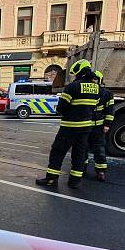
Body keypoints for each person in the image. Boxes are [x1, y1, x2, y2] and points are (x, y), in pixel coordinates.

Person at [36, 59, 100, 189]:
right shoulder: (96, 88)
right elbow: (95, 106)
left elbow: (61, 108)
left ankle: (51, 179)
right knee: (79, 154)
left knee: (57, 152)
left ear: (79, 72)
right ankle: (75, 181)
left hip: (69, 127)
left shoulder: (73, 87)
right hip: (86, 127)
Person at [88, 70, 114, 182]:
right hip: (86, 125)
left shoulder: (106, 93)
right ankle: (81, 169)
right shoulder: (87, 91)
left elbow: (110, 110)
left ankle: (101, 171)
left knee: (99, 149)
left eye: (95, 79)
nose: (94, 81)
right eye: (92, 79)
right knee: (82, 148)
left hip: (98, 126)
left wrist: (107, 124)